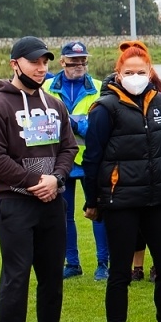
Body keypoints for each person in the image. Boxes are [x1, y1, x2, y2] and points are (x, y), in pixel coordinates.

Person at [81, 41, 161, 322]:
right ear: (118, 73)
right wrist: (93, 199)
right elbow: (92, 157)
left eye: (140, 71)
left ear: (150, 72)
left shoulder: (159, 101)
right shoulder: (105, 108)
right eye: (128, 71)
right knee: (120, 272)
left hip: (156, 198)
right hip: (120, 201)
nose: (135, 75)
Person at [0, 37, 80, 322]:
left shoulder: (55, 104)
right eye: (34, 62)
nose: (41, 68)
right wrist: (32, 182)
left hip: (52, 200)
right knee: (16, 275)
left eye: (45, 62)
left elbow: (69, 148)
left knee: (52, 274)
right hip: (14, 202)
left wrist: (56, 179)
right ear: (15, 64)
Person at [47, 41, 105, 280]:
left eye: (83, 60)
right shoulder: (46, 86)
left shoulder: (100, 87)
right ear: (62, 62)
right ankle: (72, 263)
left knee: (97, 212)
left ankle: (103, 264)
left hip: (90, 160)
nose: (79, 65)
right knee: (64, 215)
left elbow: (102, 124)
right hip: (60, 160)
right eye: (73, 61)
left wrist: (76, 124)